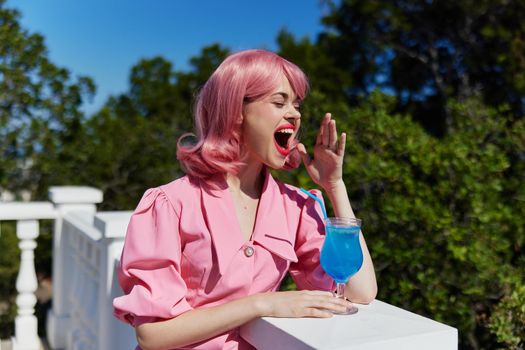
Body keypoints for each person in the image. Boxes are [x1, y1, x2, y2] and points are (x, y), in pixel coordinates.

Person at [113, 49, 377, 350]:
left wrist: (335, 185)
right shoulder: (170, 204)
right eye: (279, 102)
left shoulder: (296, 207)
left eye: (297, 104)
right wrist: (261, 304)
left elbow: (360, 291)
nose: (295, 113)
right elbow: (152, 334)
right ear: (236, 110)